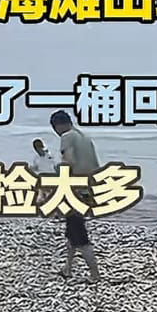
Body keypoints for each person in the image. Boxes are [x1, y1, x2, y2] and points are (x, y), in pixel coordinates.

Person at [49, 110, 100, 283]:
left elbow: (69, 162)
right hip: (88, 189)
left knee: (79, 234)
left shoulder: (67, 137)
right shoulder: (84, 137)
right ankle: (68, 268)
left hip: (75, 191)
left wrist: (57, 170)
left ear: (56, 126)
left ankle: (95, 274)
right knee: (72, 229)